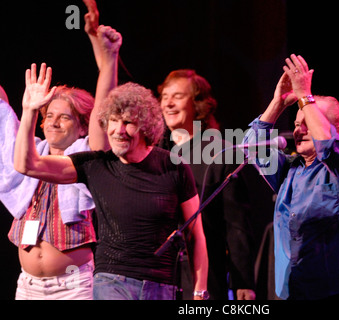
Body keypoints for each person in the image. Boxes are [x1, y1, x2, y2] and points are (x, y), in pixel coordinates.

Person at [13, 66, 209, 300]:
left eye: (128, 122)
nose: (118, 130)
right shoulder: (97, 164)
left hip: (160, 286)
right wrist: (29, 111)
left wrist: (200, 289)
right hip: (111, 282)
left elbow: (195, 234)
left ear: (146, 125)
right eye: (113, 121)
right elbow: (28, 165)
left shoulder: (172, 166)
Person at [0, 11, 122, 299]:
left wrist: (109, 59)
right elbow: (3, 117)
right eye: (49, 115)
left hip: (72, 286)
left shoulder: (86, 159)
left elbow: (105, 107)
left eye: (64, 117)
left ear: (82, 126)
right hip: (27, 284)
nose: (53, 122)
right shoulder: (31, 152)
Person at [244, 54, 339, 300]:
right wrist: (277, 103)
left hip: (333, 291)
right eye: (298, 123)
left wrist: (305, 97)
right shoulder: (289, 169)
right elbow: (251, 147)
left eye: (307, 123)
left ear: (338, 129)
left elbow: (328, 144)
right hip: (291, 290)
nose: (299, 130)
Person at [158, 69, 256, 300]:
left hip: (203, 277)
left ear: (198, 105)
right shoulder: (154, 152)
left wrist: (243, 282)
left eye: (178, 96)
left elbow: (237, 225)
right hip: (158, 276)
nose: (169, 104)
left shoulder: (220, 153)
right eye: (165, 96)